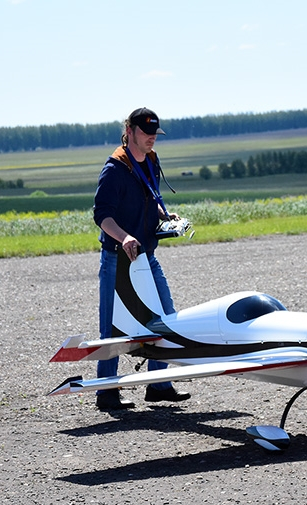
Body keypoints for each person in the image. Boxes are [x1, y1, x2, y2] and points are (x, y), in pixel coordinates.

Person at [92, 107, 191, 411]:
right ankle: (106, 392)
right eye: (146, 133)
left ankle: (158, 386)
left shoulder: (150, 160)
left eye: (155, 134)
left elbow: (150, 197)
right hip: (117, 259)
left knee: (164, 319)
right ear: (130, 131)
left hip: (147, 256)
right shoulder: (115, 169)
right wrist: (124, 238)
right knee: (112, 328)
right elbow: (102, 216)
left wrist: (165, 215)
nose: (151, 138)